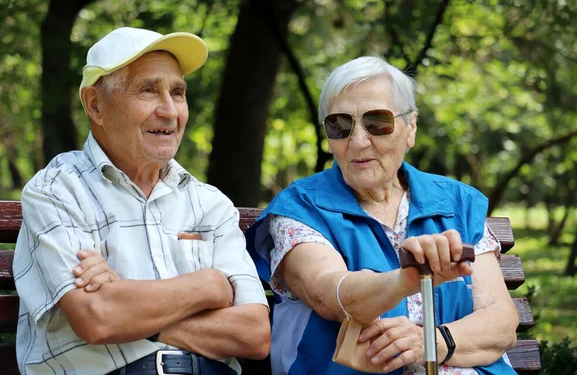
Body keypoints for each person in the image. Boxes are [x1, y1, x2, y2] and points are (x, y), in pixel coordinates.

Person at [13, 27, 270, 375]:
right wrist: (208, 286)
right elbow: (98, 319)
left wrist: (129, 308)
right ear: (95, 104)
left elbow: (253, 335)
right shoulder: (57, 191)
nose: (169, 110)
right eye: (148, 90)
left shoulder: (211, 205)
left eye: (177, 93)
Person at [245, 56, 519, 374]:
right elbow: (331, 293)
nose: (358, 141)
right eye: (340, 125)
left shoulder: (457, 203)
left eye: (377, 123)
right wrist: (409, 279)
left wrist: (432, 343)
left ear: (410, 128)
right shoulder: (299, 209)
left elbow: (501, 319)